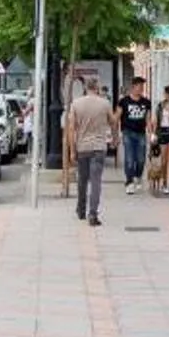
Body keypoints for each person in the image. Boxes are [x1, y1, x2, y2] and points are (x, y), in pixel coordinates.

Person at [63, 77, 116, 228]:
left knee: (82, 180)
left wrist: (72, 150)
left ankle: (81, 209)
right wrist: (114, 138)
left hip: (82, 147)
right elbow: (113, 122)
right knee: (96, 181)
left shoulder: (76, 104)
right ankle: (93, 213)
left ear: (85, 87)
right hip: (99, 147)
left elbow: (72, 128)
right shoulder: (104, 103)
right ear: (97, 87)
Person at [116, 77, 153, 195]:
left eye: (142, 86)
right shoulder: (124, 101)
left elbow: (148, 119)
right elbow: (117, 116)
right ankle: (129, 182)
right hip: (128, 132)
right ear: (133, 87)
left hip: (141, 133)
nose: (141, 88)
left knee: (141, 159)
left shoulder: (146, 102)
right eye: (139, 86)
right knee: (129, 159)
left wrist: (151, 133)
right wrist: (115, 133)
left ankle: (138, 176)